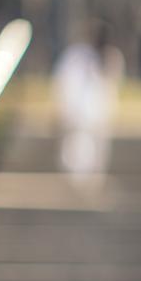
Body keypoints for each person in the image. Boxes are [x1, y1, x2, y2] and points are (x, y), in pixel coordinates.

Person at [52, 20, 123, 189]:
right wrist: (65, 110)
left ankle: (91, 187)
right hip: (78, 116)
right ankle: (74, 188)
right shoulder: (78, 56)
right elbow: (66, 83)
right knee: (76, 155)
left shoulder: (111, 58)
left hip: (99, 117)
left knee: (96, 157)